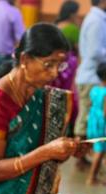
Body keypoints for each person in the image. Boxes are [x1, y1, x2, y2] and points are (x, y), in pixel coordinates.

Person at [0, 23, 87, 194]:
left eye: (60, 64)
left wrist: (66, 149)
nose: (55, 73)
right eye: (48, 64)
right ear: (24, 59)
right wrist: (46, 152)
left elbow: (46, 149)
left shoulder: (41, 95)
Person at [74, 0, 106, 139]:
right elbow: (95, 52)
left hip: (91, 75)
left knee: (89, 116)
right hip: (91, 76)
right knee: (87, 117)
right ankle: (80, 156)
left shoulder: (96, 19)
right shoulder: (96, 21)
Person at [50, 0, 81, 134]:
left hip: (53, 64)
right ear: (72, 13)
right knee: (67, 96)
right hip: (68, 65)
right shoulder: (73, 29)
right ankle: (65, 128)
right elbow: (79, 49)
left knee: (54, 93)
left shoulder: (55, 26)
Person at [86, 63, 106, 185]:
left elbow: (90, 104)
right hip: (102, 124)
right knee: (99, 151)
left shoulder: (94, 89)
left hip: (93, 121)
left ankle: (95, 174)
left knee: (97, 149)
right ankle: (91, 177)